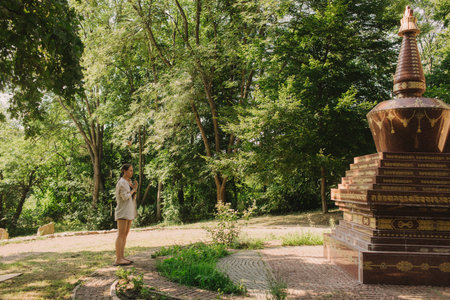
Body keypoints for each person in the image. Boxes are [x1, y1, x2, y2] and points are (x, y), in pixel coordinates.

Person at [114, 163, 138, 266]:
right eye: (130, 170)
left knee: (125, 235)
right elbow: (125, 197)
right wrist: (133, 189)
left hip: (128, 211)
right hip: (122, 212)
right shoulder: (122, 182)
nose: (131, 172)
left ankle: (122, 257)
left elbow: (132, 198)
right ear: (124, 171)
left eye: (132, 170)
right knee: (121, 235)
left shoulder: (127, 182)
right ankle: (118, 259)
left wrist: (133, 188)